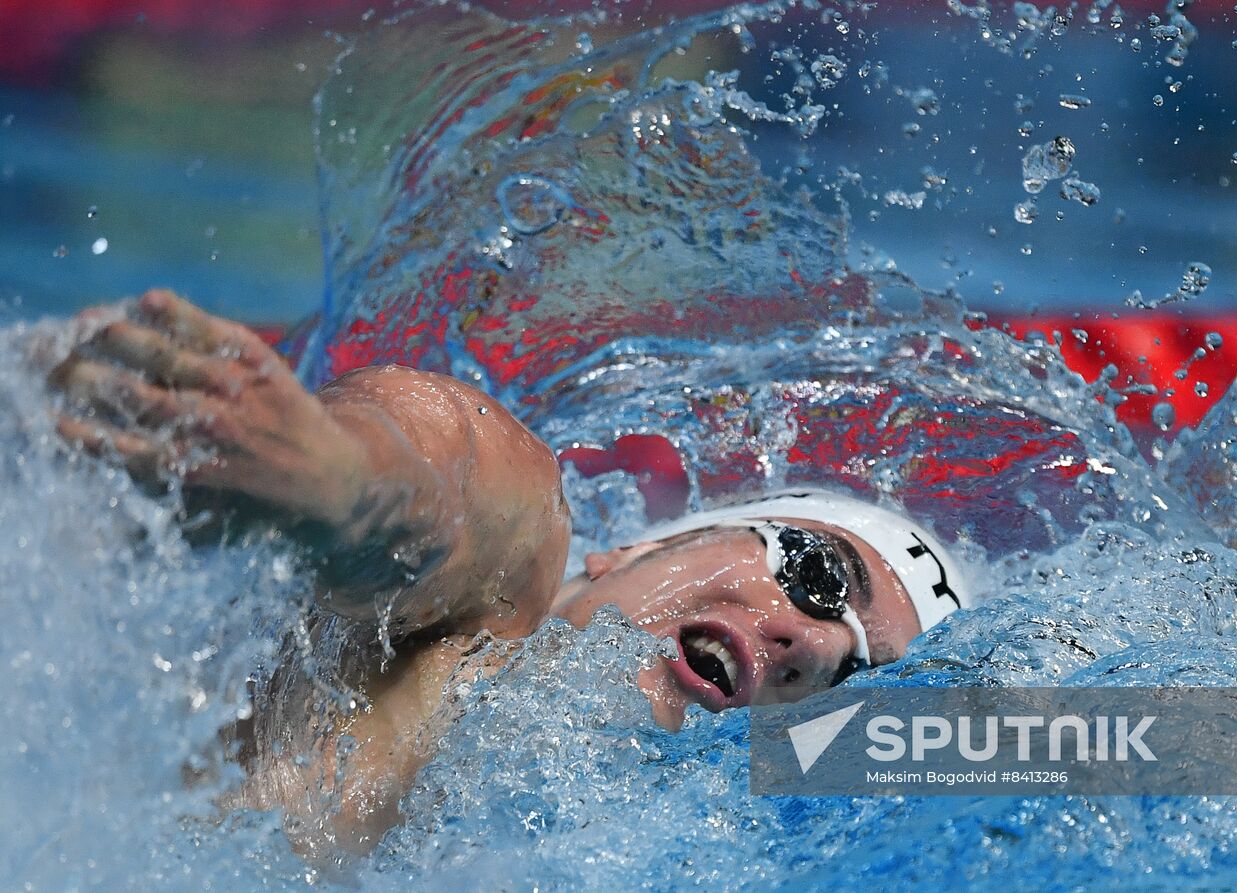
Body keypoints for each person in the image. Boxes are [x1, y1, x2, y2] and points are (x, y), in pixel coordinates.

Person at [48, 288, 968, 854]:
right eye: (815, 574)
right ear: (646, 545)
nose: (810, 642)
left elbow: (1090, 743)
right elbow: (453, 478)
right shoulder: (505, 591)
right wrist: (329, 482)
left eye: (852, 679)